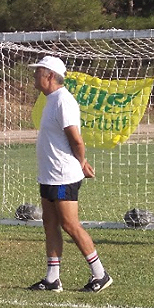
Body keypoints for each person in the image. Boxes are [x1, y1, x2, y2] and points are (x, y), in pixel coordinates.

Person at [27, 56, 112, 293]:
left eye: (38, 72)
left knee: (70, 224)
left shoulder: (64, 101)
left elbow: (76, 139)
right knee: (50, 223)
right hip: (48, 174)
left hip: (63, 176)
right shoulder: (50, 100)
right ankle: (52, 278)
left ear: (50, 76)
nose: (34, 76)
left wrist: (82, 162)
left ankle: (100, 274)